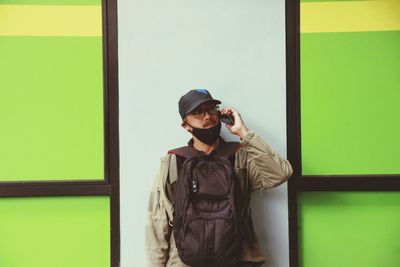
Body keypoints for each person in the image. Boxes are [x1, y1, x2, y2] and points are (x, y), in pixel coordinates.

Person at [146, 89, 293, 267]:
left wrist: (244, 133)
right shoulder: (173, 162)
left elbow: (280, 173)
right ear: (185, 125)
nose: (207, 116)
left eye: (211, 109)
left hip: (238, 258)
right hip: (185, 261)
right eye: (198, 113)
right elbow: (158, 220)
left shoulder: (240, 157)